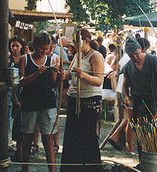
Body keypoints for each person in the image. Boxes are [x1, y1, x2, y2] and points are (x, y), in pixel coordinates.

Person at [120, 36, 157, 167]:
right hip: (138, 103)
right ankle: (143, 162)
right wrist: (126, 96)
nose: (135, 58)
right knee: (141, 133)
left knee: (156, 133)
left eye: (136, 54)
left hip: (154, 102)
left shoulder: (153, 60)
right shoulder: (129, 66)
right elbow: (124, 85)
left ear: (140, 49)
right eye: (131, 56)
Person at [61, 28, 105, 172]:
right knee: (72, 136)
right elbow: (70, 75)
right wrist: (65, 74)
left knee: (87, 136)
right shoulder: (78, 55)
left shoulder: (96, 56)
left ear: (86, 41)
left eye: (77, 41)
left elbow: (99, 80)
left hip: (89, 100)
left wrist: (84, 75)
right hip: (75, 99)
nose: (74, 44)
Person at [19, 32, 60, 172]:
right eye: (42, 48)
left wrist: (61, 77)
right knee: (27, 137)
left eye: (47, 48)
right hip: (29, 102)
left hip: (47, 103)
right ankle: (24, 168)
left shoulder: (51, 61)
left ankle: (52, 170)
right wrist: (37, 73)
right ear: (34, 46)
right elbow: (21, 83)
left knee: (48, 138)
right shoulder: (25, 59)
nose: (44, 51)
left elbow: (54, 85)